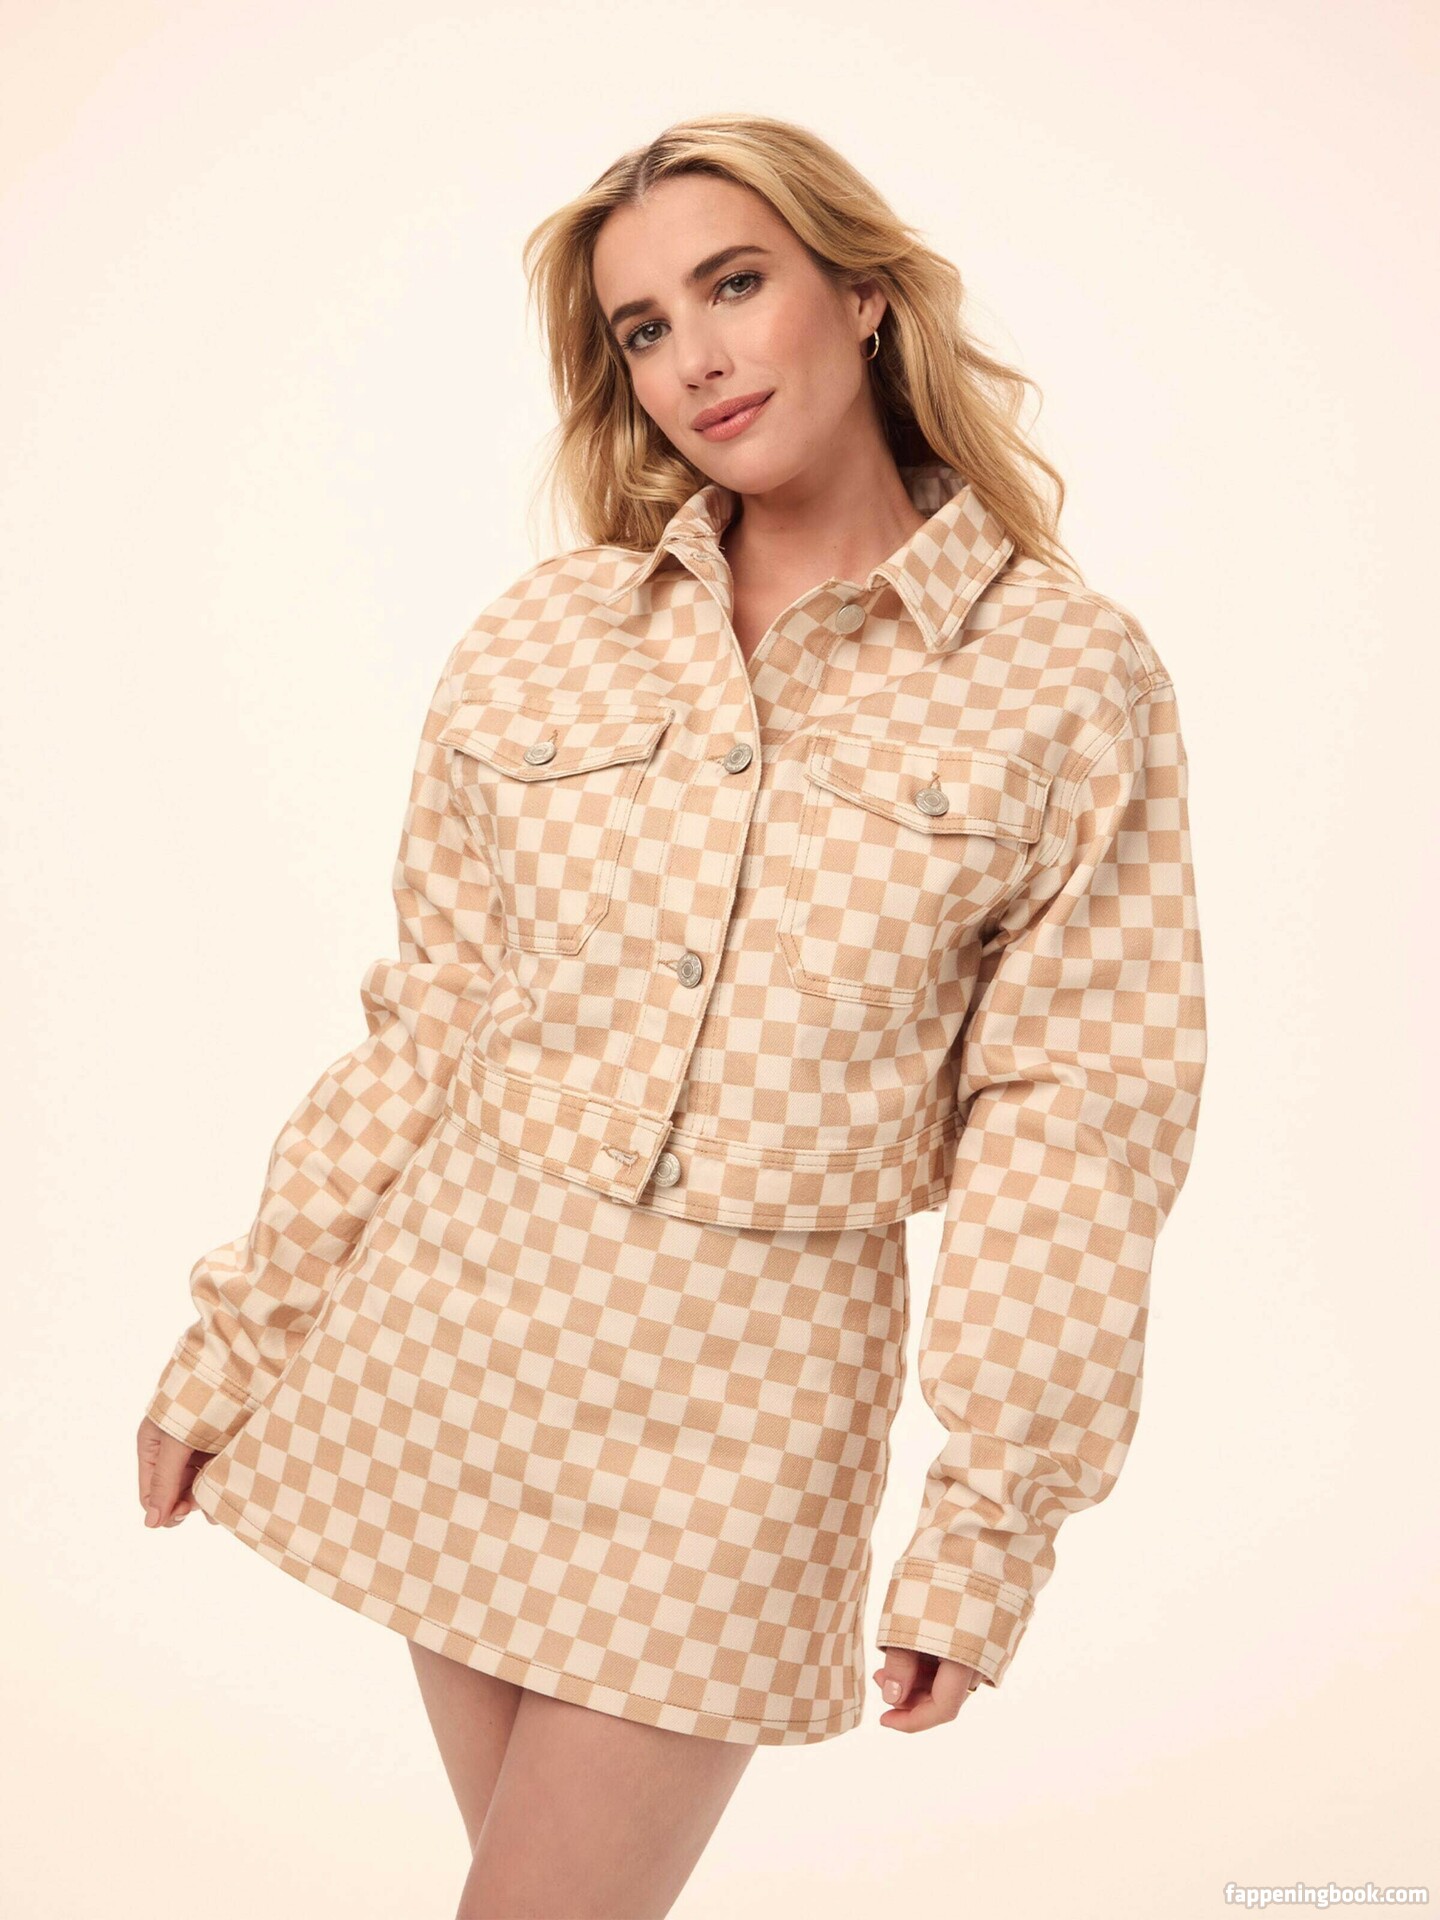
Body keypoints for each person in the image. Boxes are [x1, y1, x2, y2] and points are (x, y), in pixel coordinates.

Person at [135, 112, 1207, 1920]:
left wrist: (990, 1525)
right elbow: (430, 1020)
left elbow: (1079, 1116)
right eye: (644, 327)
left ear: (861, 297)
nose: (695, 356)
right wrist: (238, 1337)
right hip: (452, 1349)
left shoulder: (1065, 677)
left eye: (735, 284)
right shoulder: (548, 632)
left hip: (741, 1421)